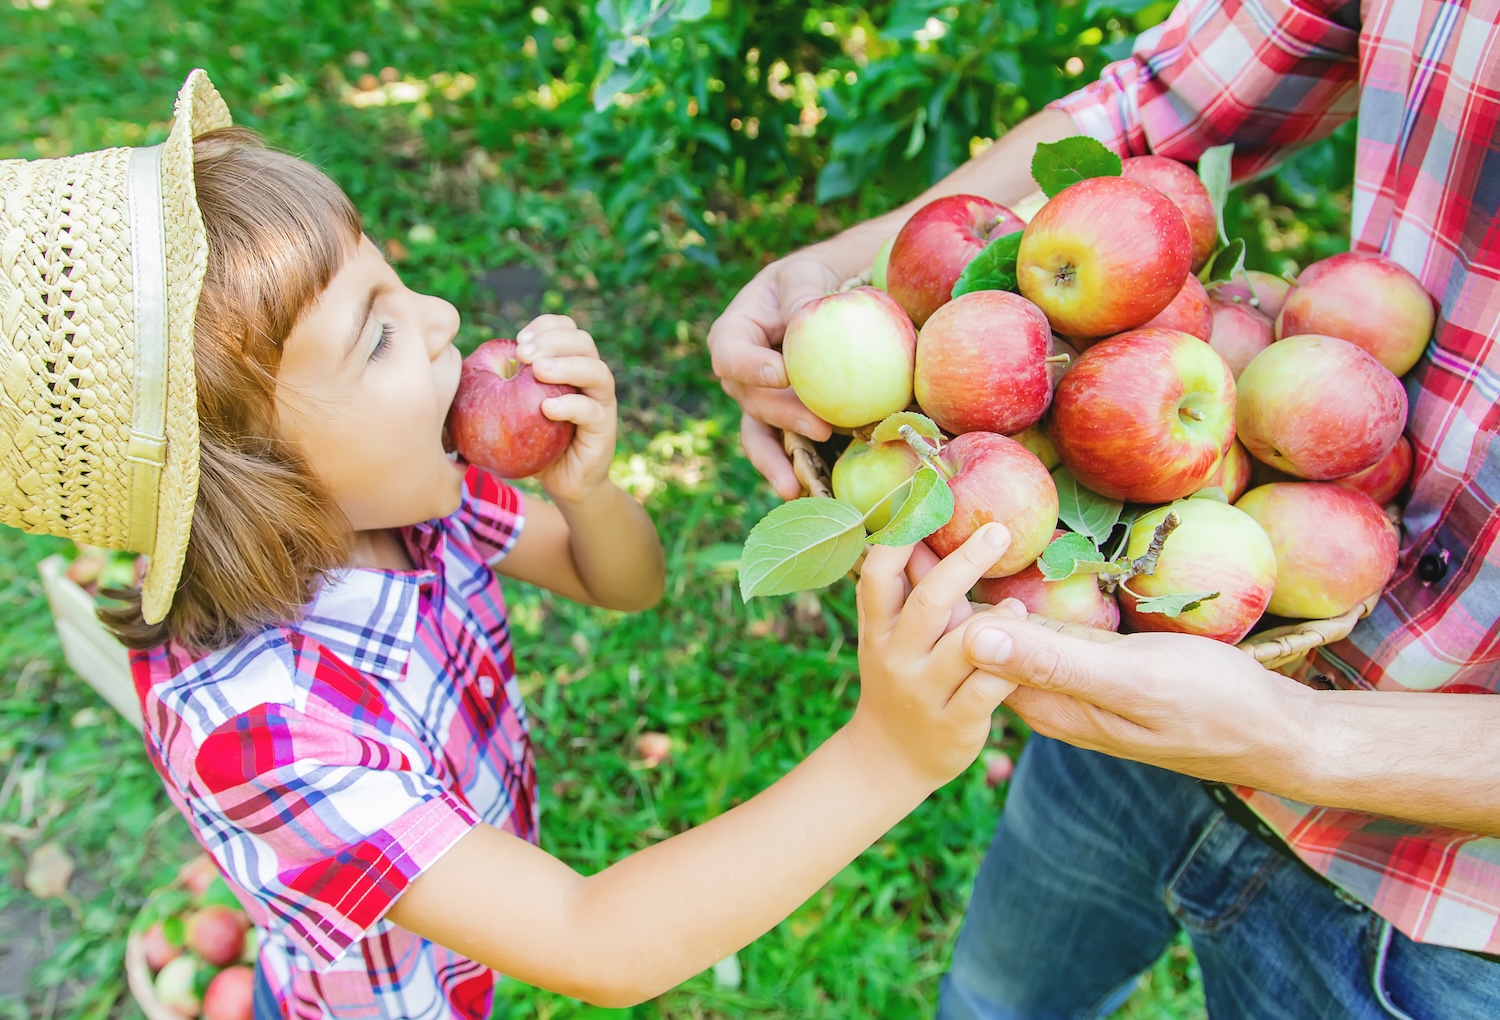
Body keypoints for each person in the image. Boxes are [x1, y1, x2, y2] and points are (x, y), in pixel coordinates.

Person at [0, 70, 1024, 1019]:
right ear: (254, 480)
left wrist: (587, 494)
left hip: (465, 940)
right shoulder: (255, 728)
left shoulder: (401, 498)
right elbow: (593, 941)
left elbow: (618, 583)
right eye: (378, 335)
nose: (443, 315)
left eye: (395, 283)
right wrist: (886, 755)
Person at [708, 0, 1500, 1014]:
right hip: (1134, 660)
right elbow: (1158, 110)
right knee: (992, 1002)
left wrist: (1301, 738)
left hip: (1436, 911)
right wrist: (831, 272)